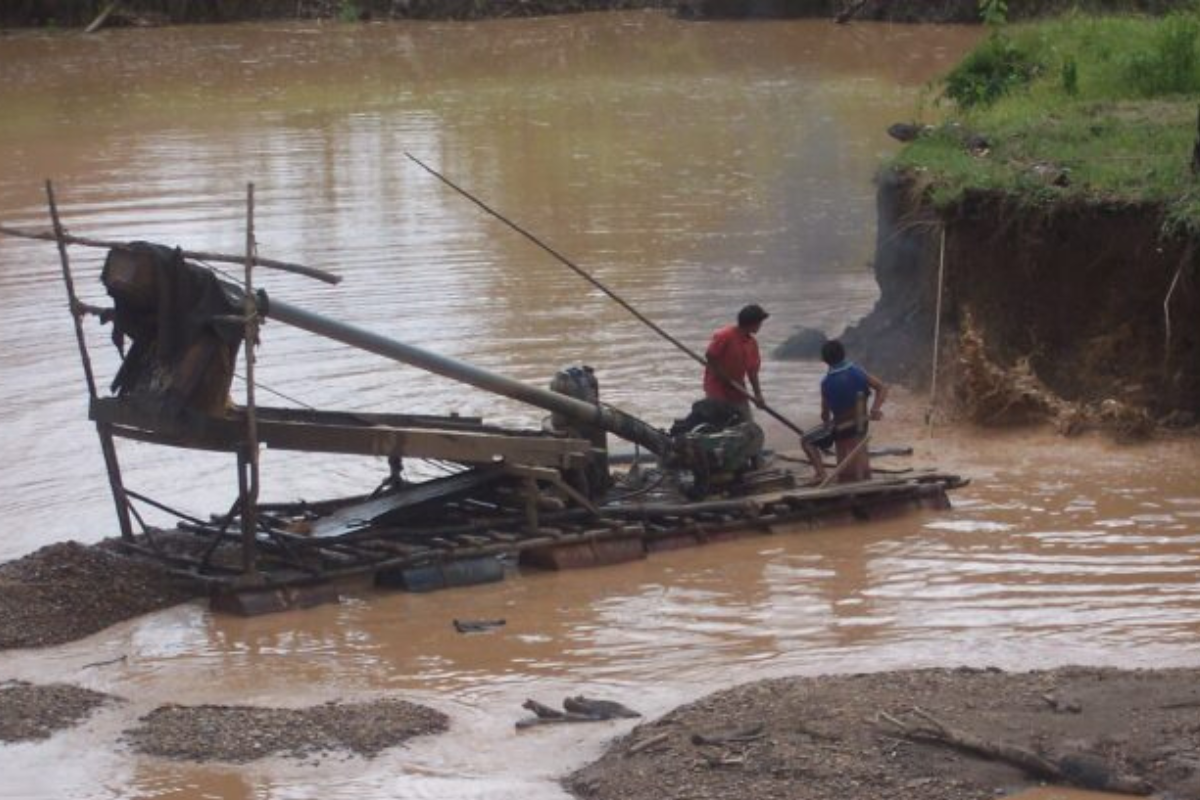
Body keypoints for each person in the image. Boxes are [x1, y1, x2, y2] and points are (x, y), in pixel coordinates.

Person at [801, 339, 887, 483]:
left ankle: (821, 474)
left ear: (824, 360)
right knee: (834, 430)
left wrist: (826, 426)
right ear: (843, 354)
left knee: (806, 440)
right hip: (862, 424)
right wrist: (875, 409)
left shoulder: (826, 382)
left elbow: (825, 415)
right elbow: (882, 388)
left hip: (843, 428)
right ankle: (858, 473)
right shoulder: (857, 371)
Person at [703, 304, 769, 420]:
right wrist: (723, 375)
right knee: (723, 423)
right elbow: (710, 355)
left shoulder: (752, 343)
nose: (760, 326)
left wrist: (758, 395)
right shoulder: (725, 335)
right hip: (717, 387)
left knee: (747, 423)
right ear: (752, 323)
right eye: (759, 323)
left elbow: (752, 372)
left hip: (737, 387)